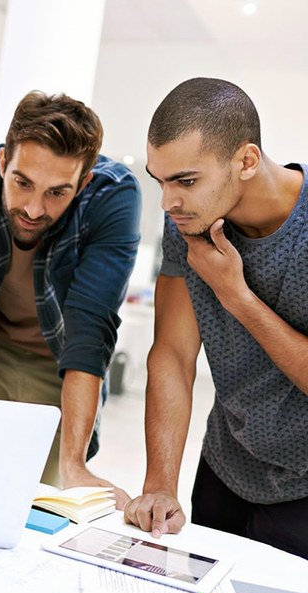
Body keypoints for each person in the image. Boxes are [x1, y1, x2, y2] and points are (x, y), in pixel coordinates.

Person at [0, 91, 141, 502]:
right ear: (3, 161)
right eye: (22, 183)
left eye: (57, 192)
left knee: (35, 503)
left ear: (84, 182)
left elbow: (90, 332)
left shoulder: (113, 196)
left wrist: (76, 465)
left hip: (59, 369)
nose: (34, 209)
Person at [123, 77, 308, 559]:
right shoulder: (188, 218)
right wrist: (160, 484)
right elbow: (173, 354)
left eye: (184, 181)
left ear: (246, 161)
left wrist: (236, 295)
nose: (167, 202)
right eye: (159, 180)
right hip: (226, 466)